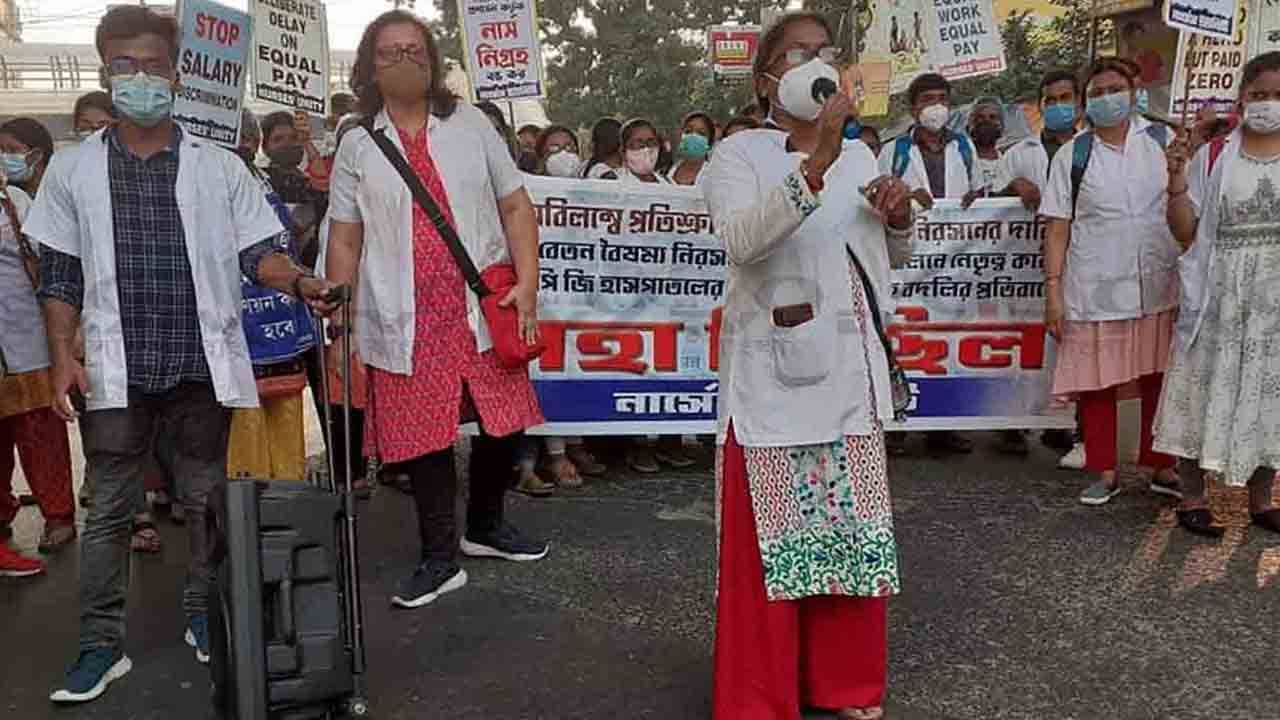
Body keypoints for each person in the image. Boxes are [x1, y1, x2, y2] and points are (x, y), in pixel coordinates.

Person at [31, 6, 337, 703]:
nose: (140, 78)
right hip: (115, 369)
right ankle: (98, 646)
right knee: (109, 511)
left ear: (178, 71)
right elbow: (60, 274)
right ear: (106, 73)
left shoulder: (219, 166)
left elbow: (260, 252)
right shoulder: (74, 169)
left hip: (200, 368)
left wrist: (302, 282)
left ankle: (206, 615)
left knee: (204, 504)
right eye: (124, 66)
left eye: (153, 64)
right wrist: (61, 356)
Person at [704, 12, 911, 718]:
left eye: (824, 52)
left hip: (852, 374)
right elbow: (742, 241)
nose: (815, 64)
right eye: (797, 55)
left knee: (850, 536)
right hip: (774, 383)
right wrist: (816, 161)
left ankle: (845, 685)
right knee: (774, 545)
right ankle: (762, 699)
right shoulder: (737, 156)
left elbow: (888, 258)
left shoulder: (864, 154)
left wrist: (899, 217)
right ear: (766, 79)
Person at [324, 10, 549, 611]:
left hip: (482, 304)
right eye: (390, 51)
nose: (405, 60)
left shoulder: (471, 123)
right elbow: (345, 238)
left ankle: (485, 525)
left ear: (434, 59)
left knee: (505, 419)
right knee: (423, 439)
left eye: (416, 49)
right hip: (404, 317)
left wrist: (527, 284)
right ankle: (439, 555)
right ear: (370, 65)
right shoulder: (356, 143)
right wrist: (339, 324)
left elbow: (516, 206)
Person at [1039, 57, 1182, 507]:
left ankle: (1160, 463)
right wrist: (1053, 293)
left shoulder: (1163, 141)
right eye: (1097, 92)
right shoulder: (1073, 154)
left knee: (1160, 377)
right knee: (1097, 382)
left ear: (1135, 89)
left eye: (1115, 88)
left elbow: (1187, 207)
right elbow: (1058, 226)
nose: (1107, 98)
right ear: (1086, 103)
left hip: (1160, 283)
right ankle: (1105, 469)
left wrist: (1183, 167)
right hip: (1096, 286)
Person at [1156, 51, 1280, 537]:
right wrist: (1176, 180)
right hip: (1219, 293)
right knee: (1202, 388)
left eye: (1277, 95)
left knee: (1270, 394)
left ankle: (1262, 498)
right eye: (1258, 95)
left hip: (1274, 301)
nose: (1268, 103)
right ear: (1241, 100)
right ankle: (1192, 496)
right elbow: (1185, 232)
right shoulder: (1213, 155)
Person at [878, 73, 975, 457]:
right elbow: (878, 195)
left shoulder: (963, 148)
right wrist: (907, 198)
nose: (935, 105)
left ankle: (944, 427)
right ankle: (897, 422)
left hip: (954, 262)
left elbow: (980, 193)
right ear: (913, 108)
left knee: (950, 335)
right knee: (904, 333)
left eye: (941, 98)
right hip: (909, 262)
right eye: (927, 99)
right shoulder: (895, 151)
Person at [996, 69, 1086, 465]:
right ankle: (1011, 422)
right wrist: (1013, 186)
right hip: (1023, 271)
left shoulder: (1092, 147)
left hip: (1080, 265)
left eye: (1066, 98)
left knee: (1076, 344)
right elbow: (986, 204)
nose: (1059, 106)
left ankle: (1070, 424)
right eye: (1051, 100)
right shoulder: (1019, 153)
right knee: (1021, 342)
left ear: (1079, 103)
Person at [226, 110, 318, 484]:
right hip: (238, 324)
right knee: (244, 421)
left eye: (247, 137)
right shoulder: (207, 181)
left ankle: (290, 497)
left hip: (280, 318)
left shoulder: (263, 179)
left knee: (286, 412)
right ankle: (252, 508)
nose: (242, 144)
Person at [1, 166, 75, 578]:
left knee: (41, 433)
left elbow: (47, 259)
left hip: (26, 340)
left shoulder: (15, 201)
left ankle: (59, 516)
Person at [0, 118, 55, 197]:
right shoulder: (8, 193)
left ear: (36, 155)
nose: (4, 156)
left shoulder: (59, 192)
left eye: (13, 150)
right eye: (1, 150)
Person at [668, 111, 716, 186]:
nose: (693, 136)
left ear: (709, 144)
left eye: (701, 133)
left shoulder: (715, 175)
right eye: (688, 131)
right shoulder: (667, 171)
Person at [967, 96, 1004, 195]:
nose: (986, 122)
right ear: (970, 124)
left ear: (1001, 125)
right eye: (980, 117)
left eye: (992, 117)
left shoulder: (1008, 161)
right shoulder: (960, 159)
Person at [618, 118, 671, 185]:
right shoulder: (613, 182)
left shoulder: (667, 183)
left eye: (651, 142)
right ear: (623, 151)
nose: (646, 149)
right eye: (638, 143)